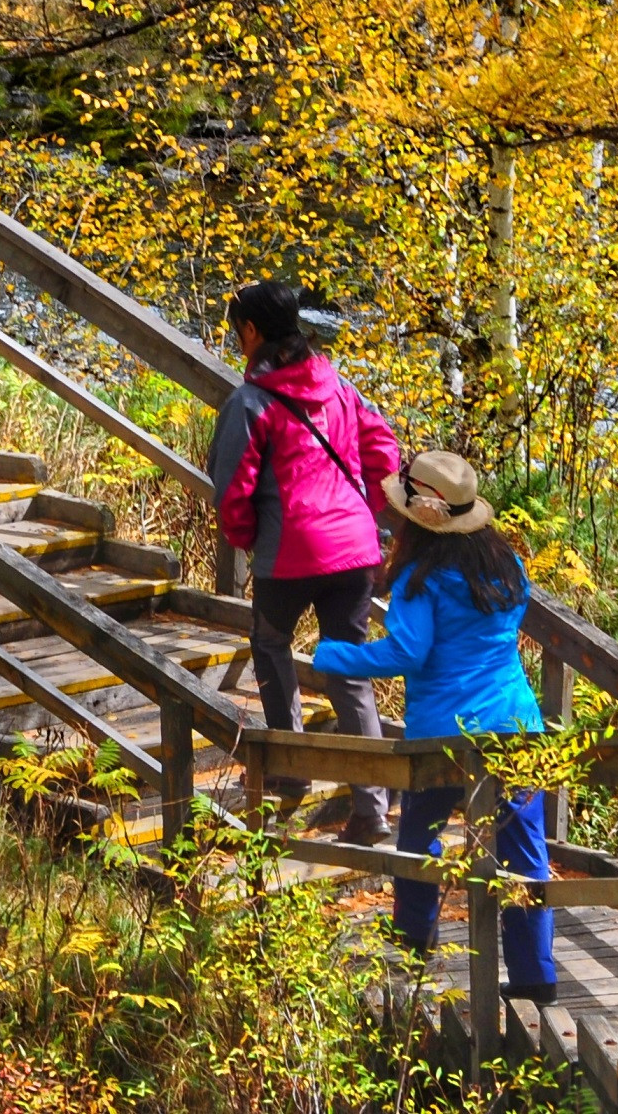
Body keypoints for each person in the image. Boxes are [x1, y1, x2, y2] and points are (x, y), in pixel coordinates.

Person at [313, 450, 559, 1005]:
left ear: (415, 518)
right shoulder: (506, 566)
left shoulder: (421, 580)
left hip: (447, 734)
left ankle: (413, 946)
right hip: (517, 724)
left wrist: (333, 655)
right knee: (525, 853)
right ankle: (535, 976)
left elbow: (407, 649)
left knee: (419, 840)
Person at [208, 278, 398, 844]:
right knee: (347, 667)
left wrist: (248, 539)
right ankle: (373, 809)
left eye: (235, 330)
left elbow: (232, 488)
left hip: (289, 552)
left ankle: (289, 769)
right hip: (355, 550)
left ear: (251, 331)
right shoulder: (339, 385)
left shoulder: (251, 403)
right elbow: (383, 449)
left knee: (269, 645)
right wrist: (366, 509)